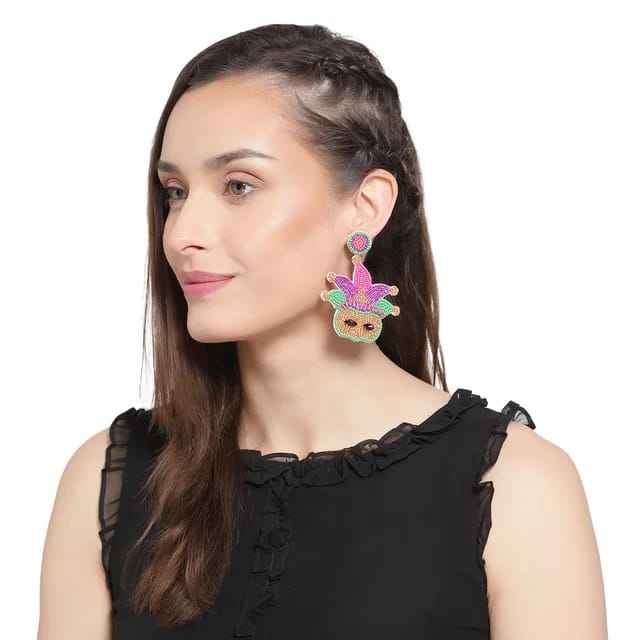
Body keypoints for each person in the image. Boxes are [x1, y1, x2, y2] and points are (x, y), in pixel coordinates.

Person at [38, 23, 608, 639]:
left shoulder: (516, 486)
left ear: (365, 206)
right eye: (175, 192)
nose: (180, 234)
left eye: (238, 186)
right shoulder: (111, 478)